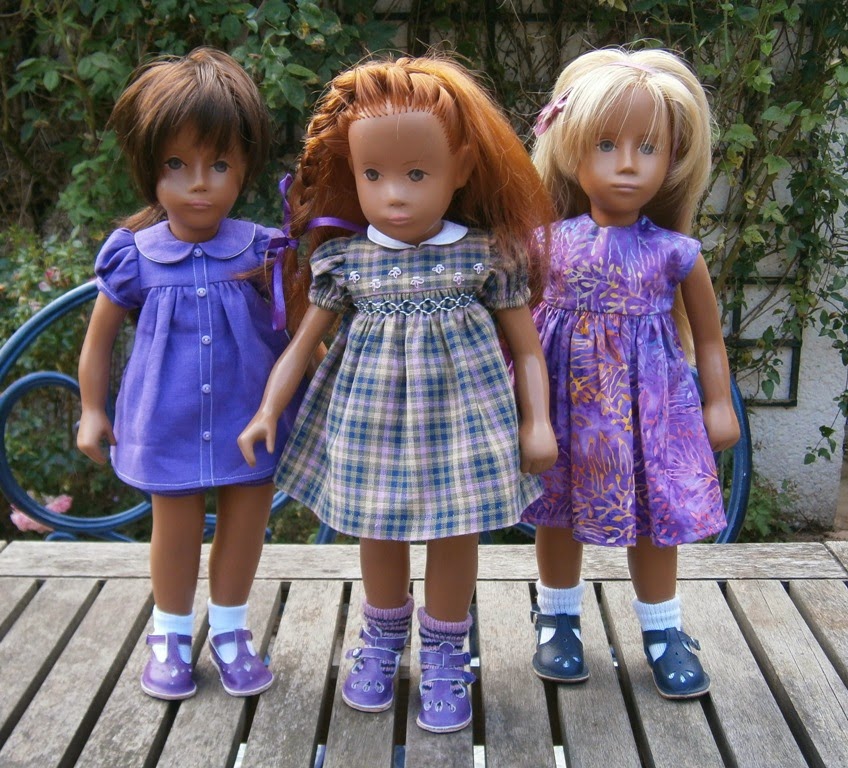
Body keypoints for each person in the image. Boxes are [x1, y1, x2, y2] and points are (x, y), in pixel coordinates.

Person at [238, 55, 557, 732]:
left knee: (457, 532)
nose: (395, 195)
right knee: (376, 529)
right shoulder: (344, 261)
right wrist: (268, 409)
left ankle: (445, 649)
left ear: (461, 168)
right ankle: (382, 637)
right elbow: (302, 343)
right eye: (373, 175)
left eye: (417, 174)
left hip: (465, 424)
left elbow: (527, 348)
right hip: (370, 424)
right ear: (352, 174)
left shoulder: (485, 255)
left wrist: (538, 422)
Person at [77, 48, 299, 700]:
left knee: (246, 523)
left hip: (248, 418)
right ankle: (170, 633)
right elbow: (98, 341)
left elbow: (298, 331)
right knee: (172, 529)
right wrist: (92, 409)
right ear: (150, 167)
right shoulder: (135, 257)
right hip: (164, 421)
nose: (199, 183)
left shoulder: (263, 251)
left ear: (244, 167)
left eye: (219, 164)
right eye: (177, 164)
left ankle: (230, 630)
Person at [526, 48, 740, 699]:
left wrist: (719, 402)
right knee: (557, 508)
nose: (627, 163)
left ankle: (663, 628)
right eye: (607, 145)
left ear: (672, 158)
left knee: (654, 514)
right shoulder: (546, 243)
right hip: (565, 403)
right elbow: (521, 332)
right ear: (569, 148)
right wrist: (525, 411)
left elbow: (708, 337)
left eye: (648, 148)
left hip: (648, 409)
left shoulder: (676, 253)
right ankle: (557, 618)